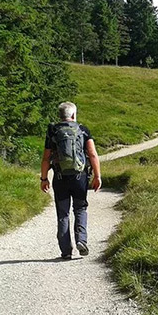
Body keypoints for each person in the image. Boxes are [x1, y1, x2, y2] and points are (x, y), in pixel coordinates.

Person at [40, 102, 102, 259]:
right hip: (79, 177)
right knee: (80, 209)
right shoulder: (82, 130)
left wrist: (44, 178)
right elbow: (93, 154)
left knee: (63, 214)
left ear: (60, 115)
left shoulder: (53, 131)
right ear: (73, 115)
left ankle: (66, 251)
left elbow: (46, 158)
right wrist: (97, 176)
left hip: (60, 178)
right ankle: (81, 240)